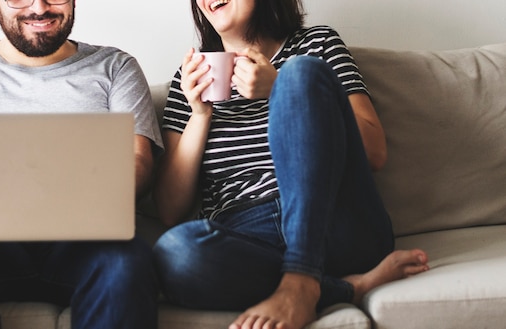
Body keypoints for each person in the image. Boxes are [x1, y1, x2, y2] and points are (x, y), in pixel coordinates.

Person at [151, 0, 430, 328]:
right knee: (174, 252)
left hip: (334, 222)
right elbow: (169, 209)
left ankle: (300, 278)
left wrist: (278, 85)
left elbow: (374, 152)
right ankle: (343, 289)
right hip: (247, 236)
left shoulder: (317, 44)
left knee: (301, 72)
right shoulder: (190, 78)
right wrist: (200, 114)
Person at [0, 0, 163, 328]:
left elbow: (139, 161)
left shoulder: (116, 66)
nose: (39, 7)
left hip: (89, 246)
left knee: (128, 263)